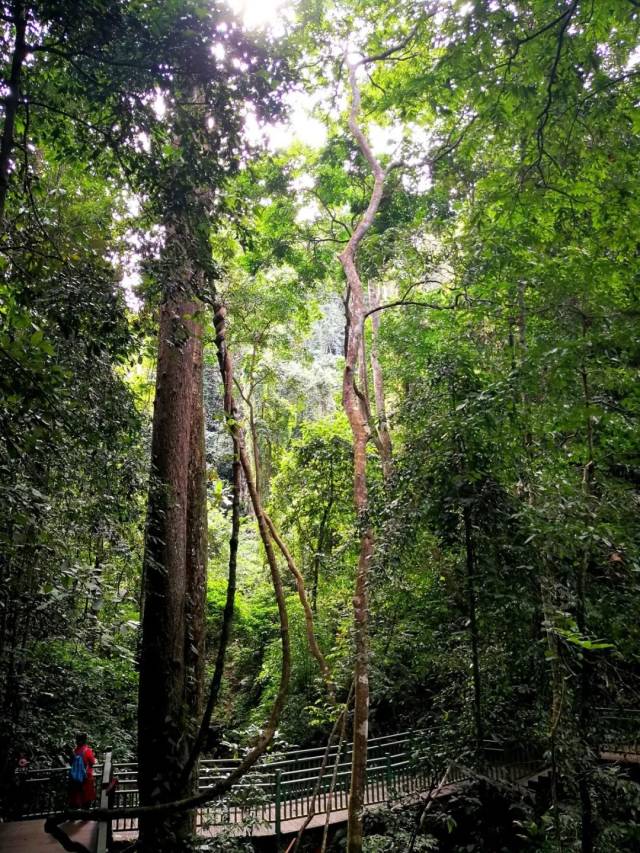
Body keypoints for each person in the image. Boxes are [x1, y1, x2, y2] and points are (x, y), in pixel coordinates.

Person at [68, 732, 97, 808]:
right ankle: (85, 817)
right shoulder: (87, 750)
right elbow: (92, 762)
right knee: (86, 799)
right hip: (86, 776)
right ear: (85, 740)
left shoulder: (74, 751)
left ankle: (75, 815)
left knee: (76, 798)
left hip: (75, 777)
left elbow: (71, 763)